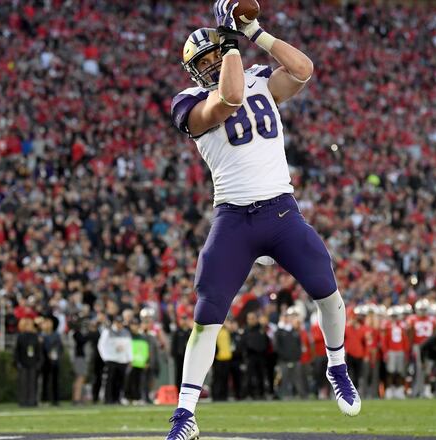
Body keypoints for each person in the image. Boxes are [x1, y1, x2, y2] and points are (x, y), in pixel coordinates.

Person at [166, 1, 360, 437]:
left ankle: (337, 366)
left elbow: (304, 69)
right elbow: (230, 98)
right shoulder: (189, 102)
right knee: (207, 315)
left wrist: (254, 31)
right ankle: (185, 414)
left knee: (327, 290)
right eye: (206, 58)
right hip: (234, 218)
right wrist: (228, 38)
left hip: (280, 210)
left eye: (217, 53)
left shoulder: (259, 79)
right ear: (194, 70)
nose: (215, 61)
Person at [98, 315, 132, 404]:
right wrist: (105, 357)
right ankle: (108, 399)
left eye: (121, 323)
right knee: (110, 380)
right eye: (118, 322)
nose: (119, 325)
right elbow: (101, 345)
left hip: (122, 360)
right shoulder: (107, 331)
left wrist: (129, 358)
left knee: (120, 380)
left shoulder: (126, 332)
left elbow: (129, 346)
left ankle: (117, 399)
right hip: (111, 359)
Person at [14, 317, 42, 407]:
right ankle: (23, 401)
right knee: (23, 383)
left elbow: (38, 351)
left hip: (33, 363)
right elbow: (17, 351)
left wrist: (39, 362)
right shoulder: (20, 337)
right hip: (23, 363)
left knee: (33, 383)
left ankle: (32, 401)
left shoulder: (35, 336)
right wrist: (17, 362)